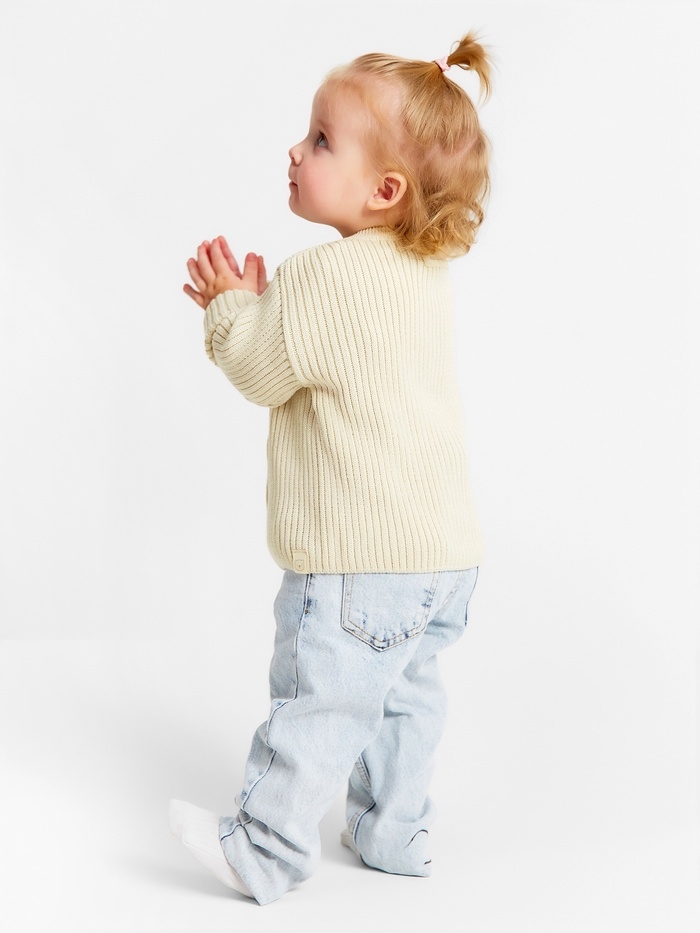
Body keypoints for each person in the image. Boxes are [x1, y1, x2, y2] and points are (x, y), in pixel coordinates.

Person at [171, 32, 492, 906]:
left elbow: (261, 370)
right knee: (403, 697)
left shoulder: (323, 276)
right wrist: (266, 307)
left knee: (321, 700)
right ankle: (395, 831)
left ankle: (263, 849)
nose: (295, 150)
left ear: (384, 190)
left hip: (358, 562)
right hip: (444, 556)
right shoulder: (425, 274)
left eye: (320, 140)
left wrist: (231, 306)